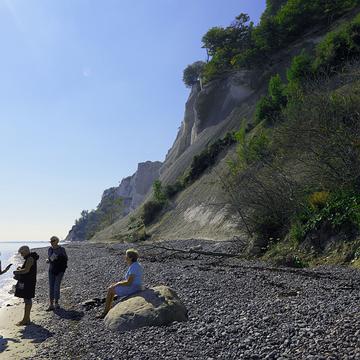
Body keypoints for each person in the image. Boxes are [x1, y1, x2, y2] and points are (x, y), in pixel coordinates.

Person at [97, 248, 143, 319]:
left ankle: (105, 312)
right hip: (135, 286)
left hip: (134, 288)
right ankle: (107, 309)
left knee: (110, 289)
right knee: (112, 287)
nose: (125, 257)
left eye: (126, 256)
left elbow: (129, 282)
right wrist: (117, 283)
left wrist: (118, 284)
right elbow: (129, 281)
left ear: (130, 258)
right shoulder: (135, 265)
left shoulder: (134, 267)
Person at [13, 246, 39, 326]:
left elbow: (26, 270)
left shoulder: (30, 258)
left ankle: (25, 319)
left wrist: (17, 271)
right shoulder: (30, 258)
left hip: (28, 282)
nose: (21, 255)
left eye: (22, 253)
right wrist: (21, 268)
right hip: (29, 281)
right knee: (27, 299)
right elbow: (27, 269)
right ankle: (27, 318)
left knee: (27, 300)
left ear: (26, 251)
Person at [46, 236, 68, 311]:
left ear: (57, 241)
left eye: (53, 241)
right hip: (51, 269)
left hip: (60, 270)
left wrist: (58, 257)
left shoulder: (62, 249)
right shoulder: (50, 249)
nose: (51, 242)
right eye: (51, 241)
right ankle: (51, 304)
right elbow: (49, 259)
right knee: (51, 286)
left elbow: (66, 259)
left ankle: (56, 303)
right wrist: (49, 259)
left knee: (56, 286)